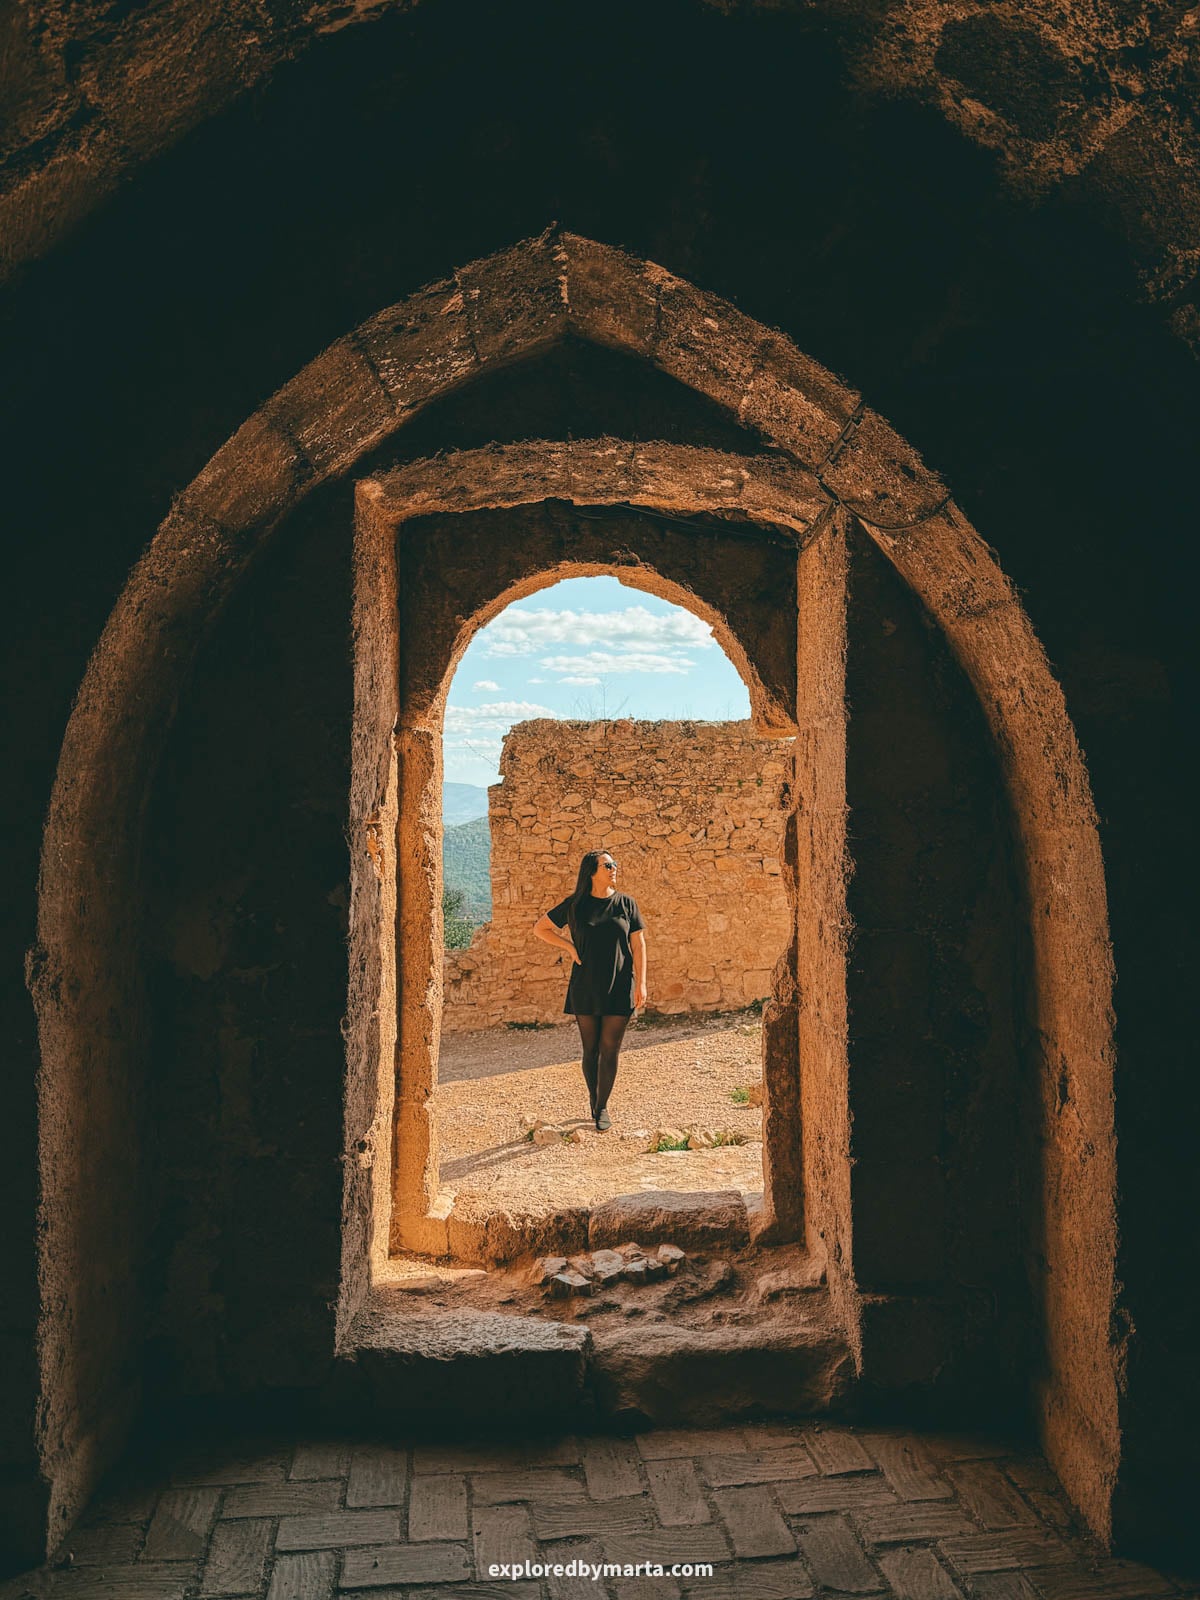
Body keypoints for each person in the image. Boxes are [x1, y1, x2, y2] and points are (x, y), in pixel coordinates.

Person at [532, 849, 647, 1131]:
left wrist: (642, 982)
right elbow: (541, 928)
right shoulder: (576, 905)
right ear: (592, 872)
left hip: (620, 984)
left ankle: (603, 1106)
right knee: (591, 1049)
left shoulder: (626, 904)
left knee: (610, 1049)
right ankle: (594, 1100)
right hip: (585, 986)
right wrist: (568, 946)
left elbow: (639, 945)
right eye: (607, 865)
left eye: (614, 864)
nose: (613, 869)